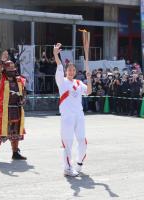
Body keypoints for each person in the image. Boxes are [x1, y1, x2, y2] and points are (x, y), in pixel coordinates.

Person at [54, 43, 92, 177]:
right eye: (69, 70)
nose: (71, 72)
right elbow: (59, 65)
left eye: (73, 70)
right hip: (67, 117)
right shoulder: (62, 82)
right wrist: (55, 53)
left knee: (82, 140)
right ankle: (68, 168)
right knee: (68, 142)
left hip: (79, 116)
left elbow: (88, 92)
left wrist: (88, 78)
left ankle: (79, 164)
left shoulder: (78, 83)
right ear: (66, 72)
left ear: (75, 72)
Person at [0, 60, 27, 163]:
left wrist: (23, 100)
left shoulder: (19, 80)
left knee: (16, 132)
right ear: (5, 69)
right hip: (3, 112)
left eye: (13, 67)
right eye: (9, 67)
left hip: (16, 109)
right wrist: (0, 63)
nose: (12, 69)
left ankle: (15, 153)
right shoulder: (1, 80)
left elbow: (24, 93)